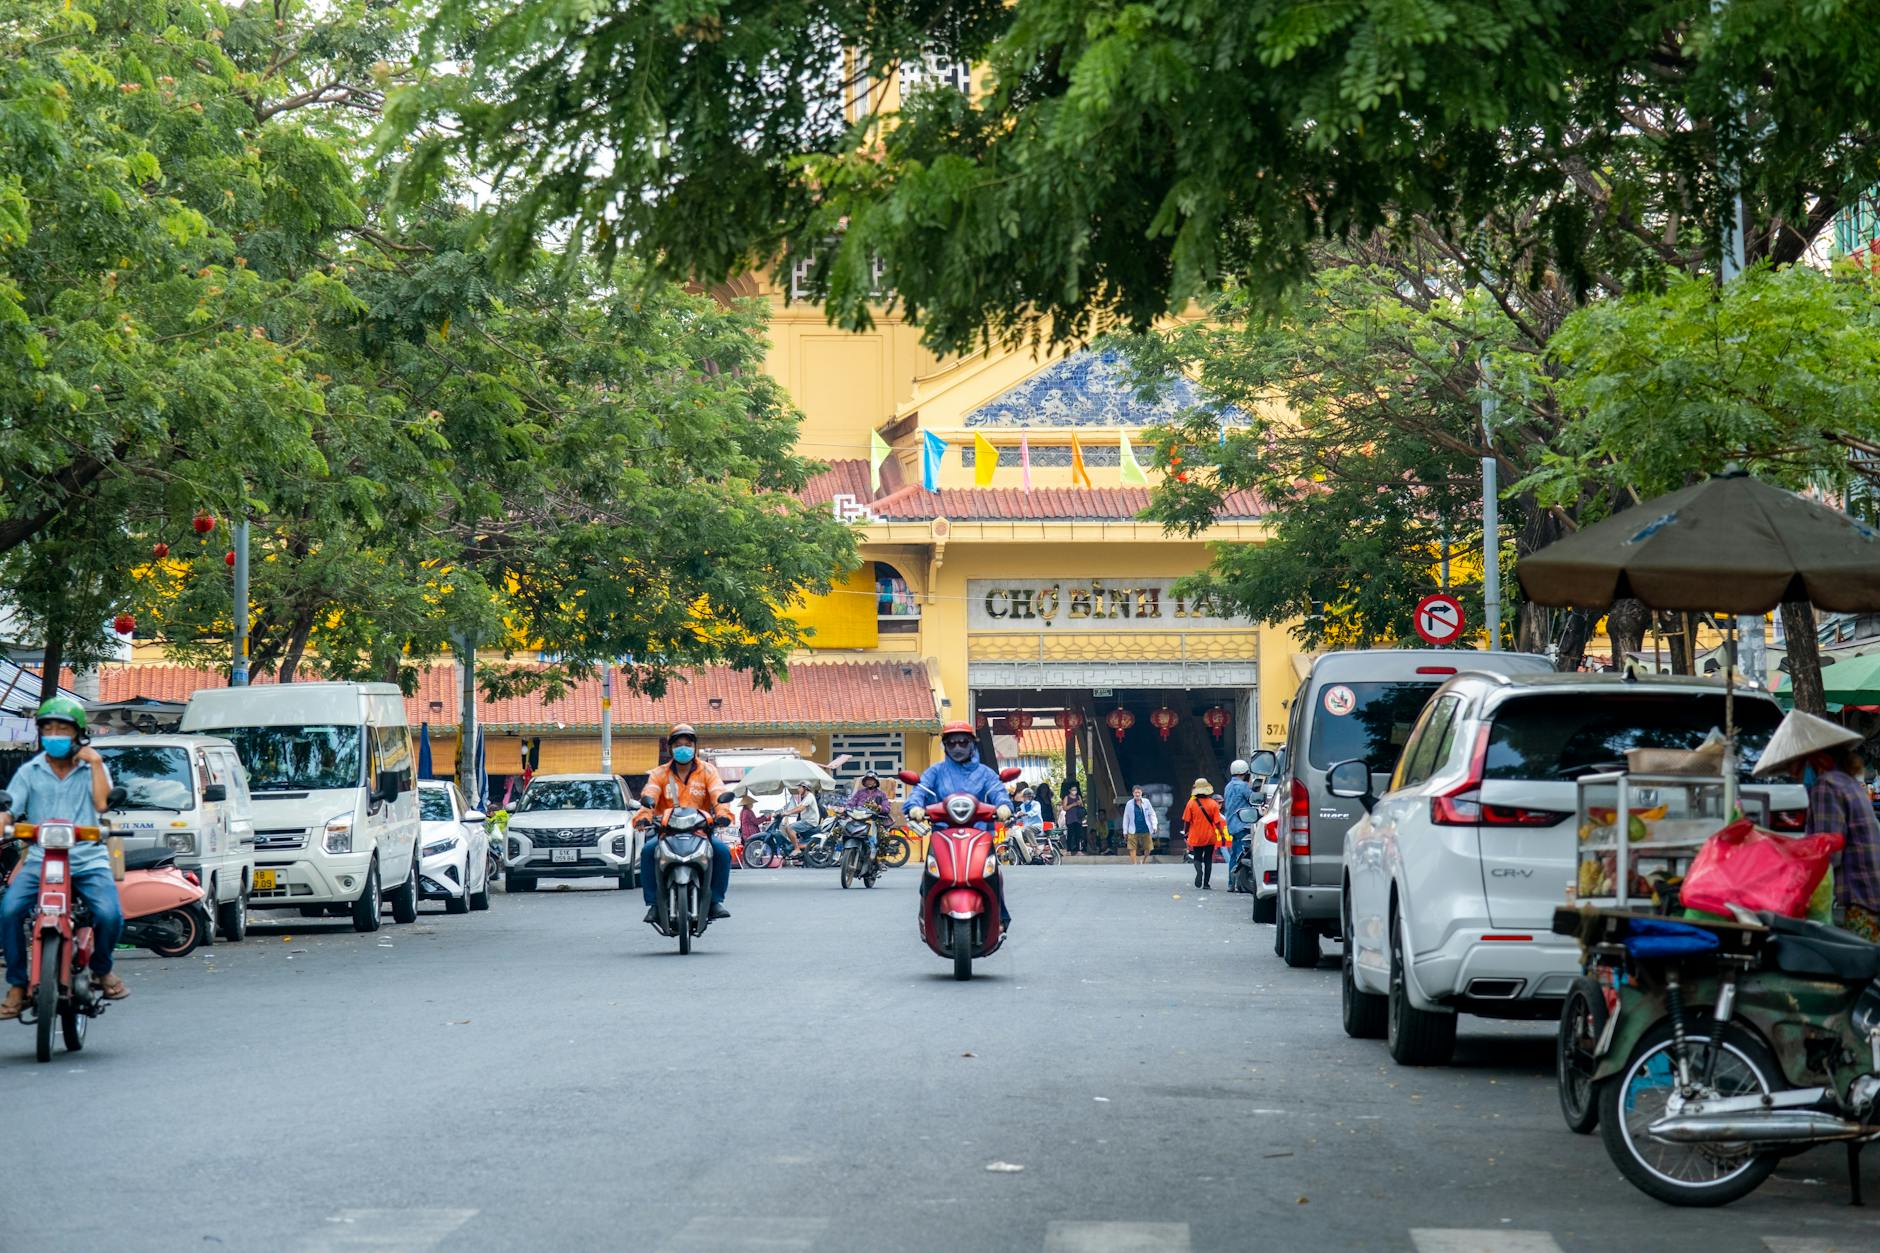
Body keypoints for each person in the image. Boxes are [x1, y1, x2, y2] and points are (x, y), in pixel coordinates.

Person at [1, 697, 129, 1019]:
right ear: (40, 734)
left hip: (88, 859)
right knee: (9, 910)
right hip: (40, 860)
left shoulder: (92, 768)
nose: (55, 734)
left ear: (78, 735)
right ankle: (17, 985)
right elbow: (9, 809)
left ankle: (102, 969)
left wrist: (97, 763)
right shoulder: (29, 771)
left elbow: (102, 805)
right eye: (49, 729)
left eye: (62, 729)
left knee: (110, 914)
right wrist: (3, 822)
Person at [1754, 710, 1880, 941]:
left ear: (1814, 760)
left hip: (1858, 900)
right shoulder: (1846, 782)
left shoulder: (1826, 787)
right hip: (1870, 895)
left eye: (1795, 768)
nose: (1796, 776)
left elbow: (1825, 853)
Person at [905, 721, 1015, 926]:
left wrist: (1004, 806)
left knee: (993, 876)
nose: (957, 748)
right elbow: (920, 791)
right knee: (929, 876)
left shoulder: (985, 773)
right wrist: (914, 807)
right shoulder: (935, 772)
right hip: (943, 835)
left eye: (963, 743)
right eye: (952, 743)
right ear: (945, 746)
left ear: (972, 744)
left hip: (979, 835)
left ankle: (1000, 918)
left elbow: (998, 791)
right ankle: (925, 917)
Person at [636, 724, 733, 922]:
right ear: (671, 748)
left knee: (722, 852)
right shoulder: (659, 774)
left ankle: (715, 901)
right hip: (667, 833)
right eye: (678, 745)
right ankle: (653, 904)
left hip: (701, 832)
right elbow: (649, 794)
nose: (683, 749)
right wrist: (644, 816)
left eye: (687, 744)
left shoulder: (708, 771)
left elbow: (718, 793)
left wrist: (723, 814)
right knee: (647, 852)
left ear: (695, 747)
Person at [1183, 777, 1228, 890]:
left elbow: (1187, 821)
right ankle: (1206, 884)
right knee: (1208, 859)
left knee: (1197, 857)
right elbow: (1217, 822)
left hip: (1196, 836)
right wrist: (1222, 835)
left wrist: (1186, 832)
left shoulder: (1191, 804)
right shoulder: (1213, 804)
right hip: (1210, 836)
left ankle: (1199, 871)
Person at [1222, 760, 1255, 893]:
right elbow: (1253, 799)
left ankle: (1231, 883)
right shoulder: (1243, 786)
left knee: (1234, 855)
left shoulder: (1228, 786)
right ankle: (1241, 883)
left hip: (1232, 825)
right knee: (1242, 855)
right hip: (1243, 825)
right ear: (1244, 772)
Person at [781, 781, 822, 859]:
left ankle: (797, 849)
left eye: (799, 787)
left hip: (809, 822)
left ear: (805, 788)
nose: (798, 789)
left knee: (789, 828)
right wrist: (786, 812)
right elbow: (797, 808)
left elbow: (800, 809)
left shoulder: (809, 796)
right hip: (806, 821)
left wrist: (787, 813)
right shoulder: (805, 798)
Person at [1122, 785, 1158, 865]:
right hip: (1133, 829)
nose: (1137, 794)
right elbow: (1126, 818)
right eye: (1135, 793)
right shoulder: (1129, 804)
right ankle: (1134, 863)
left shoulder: (1146, 802)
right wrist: (1125, 831)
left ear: (1141, 793)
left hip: (1145, 828)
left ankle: (1144, 861)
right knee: (1132, 847)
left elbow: (1152, 814)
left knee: (1148, 848)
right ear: (1133, 793)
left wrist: (1154, 825)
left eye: (1139, 792)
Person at [1063, 787, 1087, 855]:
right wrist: (1073, 804)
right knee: (1070, 833)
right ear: (1069, 790)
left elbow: (1082, 806)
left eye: (1075, 790)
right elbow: (1064, 808)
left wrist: (1079, 804)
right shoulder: (1067, 797)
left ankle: (1077, 849)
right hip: (1070, 819)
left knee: (1078, 834)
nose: (1074, 791)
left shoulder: (1078, 796)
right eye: (1073, 790)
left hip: (1078, 818)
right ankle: (1069, 849)